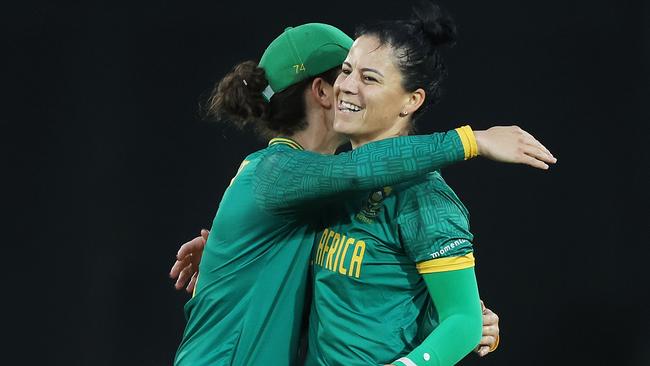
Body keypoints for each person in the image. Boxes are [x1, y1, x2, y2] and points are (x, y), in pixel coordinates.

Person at [171, 18, 555, 366]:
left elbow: (386, 299)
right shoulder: (302, 179)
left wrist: (455, 324)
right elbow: (358, 172)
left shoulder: (416, 195)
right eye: (346, 71)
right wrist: (474, 140)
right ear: (322, 90)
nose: (348, 86)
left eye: (368, 77)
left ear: (412, 100)